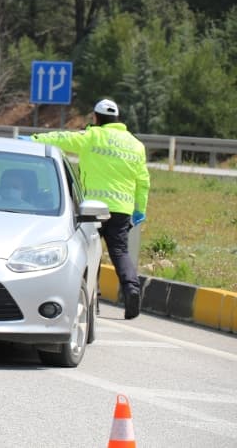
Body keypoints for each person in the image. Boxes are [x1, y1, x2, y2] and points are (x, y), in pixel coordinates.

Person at [26, 99, 150, 319]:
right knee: (120, 251)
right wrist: (140, 208)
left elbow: (63, 138)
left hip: (92, 209)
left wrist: (35, 139)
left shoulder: (92, 136)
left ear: (96, 117)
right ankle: (132, 289)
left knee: (90, 251)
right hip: (122, 208)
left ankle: (93, 297)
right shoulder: (136, 145)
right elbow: (143, 181)